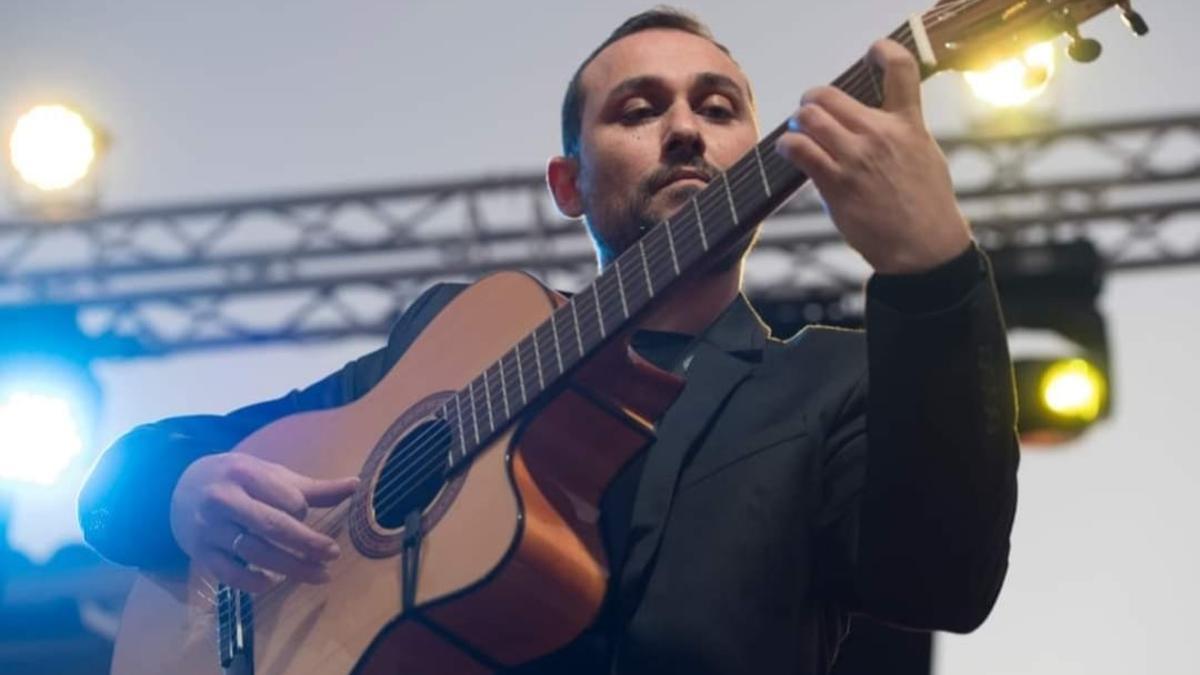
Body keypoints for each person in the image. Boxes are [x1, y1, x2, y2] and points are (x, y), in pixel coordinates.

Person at [79, 8, 1019, 674]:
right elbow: (115, 486)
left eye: (720, 107)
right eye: (639, 110)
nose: (686, 129)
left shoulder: (829, 383)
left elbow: (944, 581)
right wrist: (180, 491)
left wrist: (931, 274)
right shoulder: (458, 346)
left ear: (769, 158)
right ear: (568, 184)